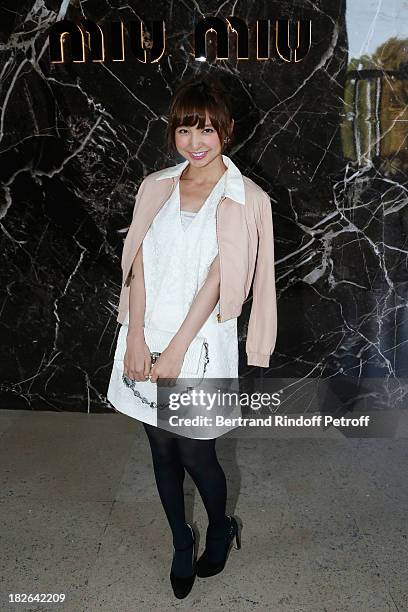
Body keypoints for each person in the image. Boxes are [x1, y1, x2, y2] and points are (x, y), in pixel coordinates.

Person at [107, 75, 277, 599]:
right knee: (160, 451)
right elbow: (138, 261)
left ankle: (220, 527)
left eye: (206, 129)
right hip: (144, 335)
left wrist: (176, 349)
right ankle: (182, 541)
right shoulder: (155, 185)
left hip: (199, 346)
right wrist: (136, 338)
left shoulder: (247, 198)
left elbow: (227, 278)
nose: (195, 142)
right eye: (184, 130)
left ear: (226, 131)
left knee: (197, 455)